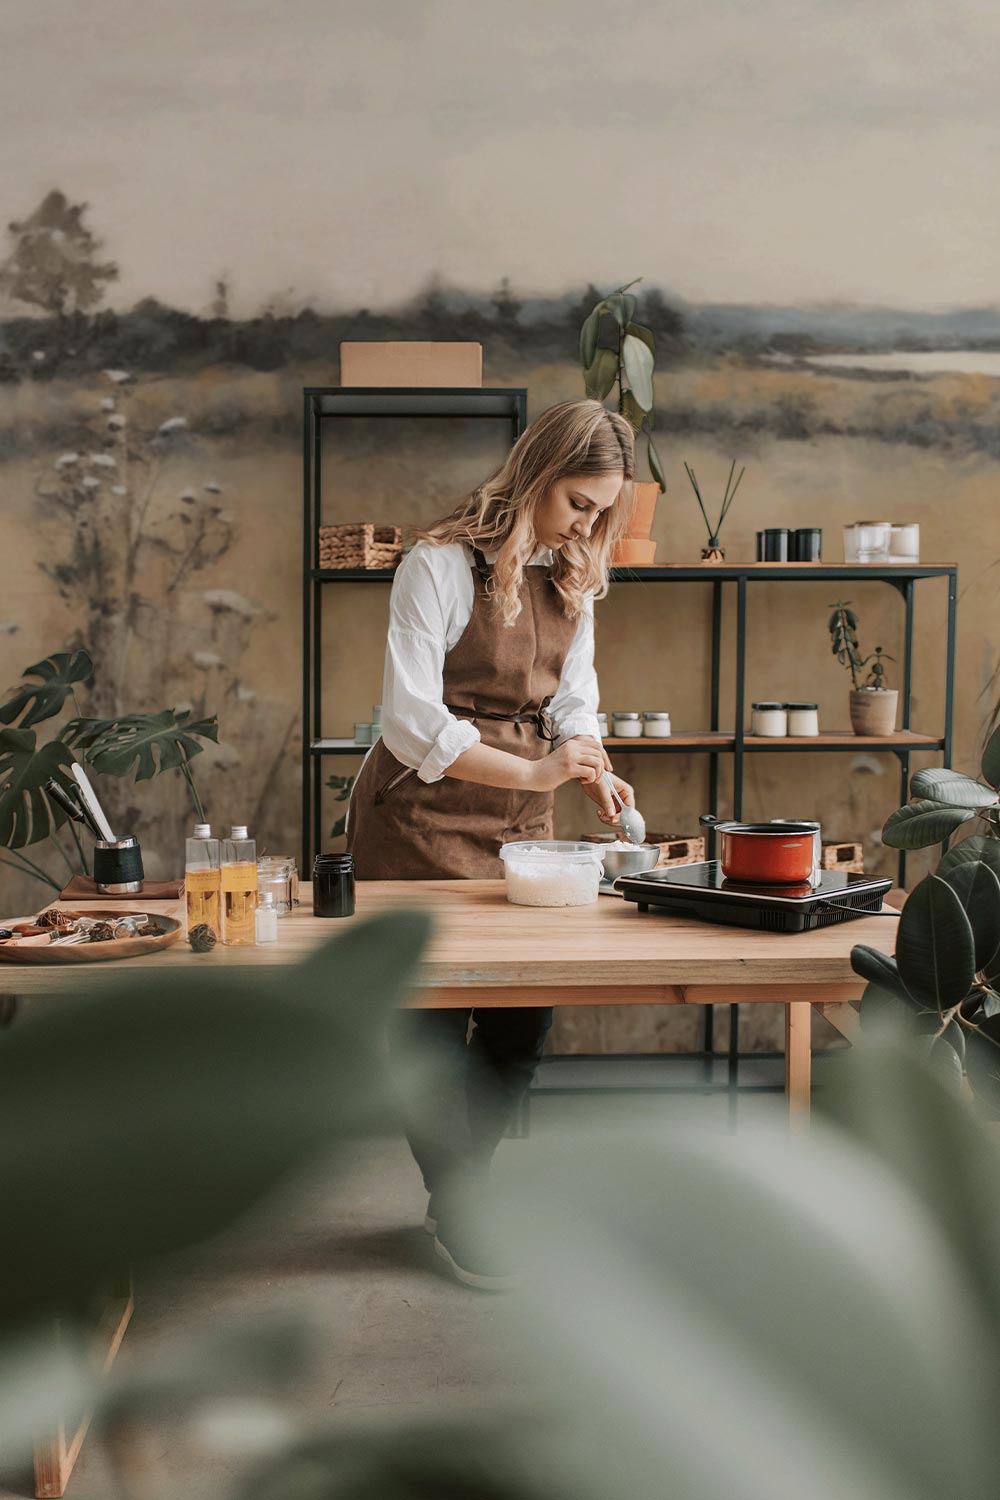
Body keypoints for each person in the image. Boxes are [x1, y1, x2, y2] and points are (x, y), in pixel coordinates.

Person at [347, 398, 638, 1289]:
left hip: (520, 819)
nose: (589, 526)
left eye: (603, 512)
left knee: (523, 1023)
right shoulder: (435, 565)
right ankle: (465, 1208)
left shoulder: (569, 579)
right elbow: (407, 722)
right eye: (579, 504)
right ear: (538, 473)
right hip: (419, 816)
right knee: (429, 1034)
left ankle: (457, 1198)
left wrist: (585, 756)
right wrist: (537, 775)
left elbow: (573, 696)